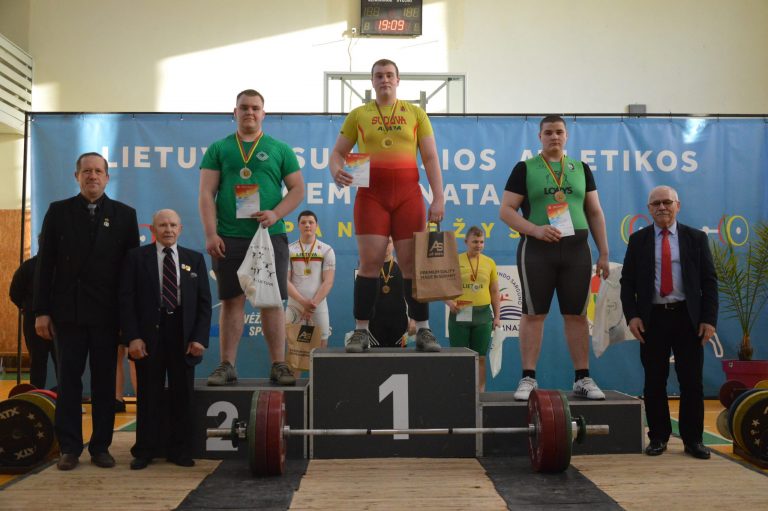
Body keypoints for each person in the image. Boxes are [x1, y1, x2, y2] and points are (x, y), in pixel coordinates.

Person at [329, 58, 445, 353]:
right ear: (372, 81)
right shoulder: (359, 114)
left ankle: (423, 329)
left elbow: (430, 157)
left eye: (389, 75)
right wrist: (336, 171)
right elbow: (338, 153)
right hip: (371, 197)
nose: (384, 80)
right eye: (379, 75)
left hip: (408, 196)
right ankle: (360, 331)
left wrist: (439, 196)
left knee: (411, 265)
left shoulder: (416, 113)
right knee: (369, 263)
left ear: (398, 80)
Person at [33, 152, 139, 470]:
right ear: (76, 176)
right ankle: (69, 448)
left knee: (105, 384)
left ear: (107, 177)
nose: (92, 176)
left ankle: (100, 447)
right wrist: (41, 311)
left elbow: (130, 273)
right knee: (69, 382)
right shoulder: (58, 212)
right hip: (69, 314)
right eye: (86, 171)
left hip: (108, 315)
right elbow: (45, 265)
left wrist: (128, 320)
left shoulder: (125, 215)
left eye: (98, 171)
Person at [499, 115, 610, 401]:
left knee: (576, 315)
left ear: (566, 136)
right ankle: (528, 378)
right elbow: (506, 210)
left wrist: (604, 252)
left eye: (559, 132)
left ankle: (582, 378)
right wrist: (535, 230)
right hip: (537, 251)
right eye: (548, 132)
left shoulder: (580, 168)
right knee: (533, 314)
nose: (554, 137)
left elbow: (594, 211)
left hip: (577, 251)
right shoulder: (525, 168)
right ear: (540, 137)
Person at [200, 89, 304, 386]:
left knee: (271, 302)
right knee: (232, 301)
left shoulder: (279, 148)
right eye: (244, 107)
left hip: (270, 235)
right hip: (229, 237)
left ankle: (278, 364)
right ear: (235, 112)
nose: (249, 112)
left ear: (263, 113)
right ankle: (227, 365)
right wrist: (211, 233)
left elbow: (298, 189)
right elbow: (206, 193)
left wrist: (276, 213)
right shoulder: (219, 148)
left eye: (255, 108)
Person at [620, 186, 717, 460]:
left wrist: (708, 319)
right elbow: (627, 283)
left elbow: (709, 281)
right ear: (649, 209)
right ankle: (658, 437)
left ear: (678, 205)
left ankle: (693, 440)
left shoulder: (696, 238)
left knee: (692, 382)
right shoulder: (638, 240)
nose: (662, 207)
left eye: (667, 202)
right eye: (656, 203)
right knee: (654, 381)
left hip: (688, 318)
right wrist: (632, 316)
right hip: (652, 319)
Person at [120, 209, 212, 470]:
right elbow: (126, 301)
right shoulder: (136, 258)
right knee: (148, 394)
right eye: (162, 225)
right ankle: (145, 450)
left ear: (180, 229)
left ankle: (180, 450)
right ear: (153, 229)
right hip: (148, 335)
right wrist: (133, 337)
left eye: (173, 225)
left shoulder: (194, 259)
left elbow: (204, 303)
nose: (168, 229)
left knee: (183, 394)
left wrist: (199, 338)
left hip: (183, 334)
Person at [444, 227, 500, 392]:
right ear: (466, 242)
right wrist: (449, 303)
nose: (479, 245)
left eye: (482, 242)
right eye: (475, 242)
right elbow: (443, 287)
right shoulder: (455, 260)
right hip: (461, 312)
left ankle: (480, 394)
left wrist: (497, 317)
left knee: (481, 358)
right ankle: (459, 392)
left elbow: (494, 291)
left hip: (483, 315)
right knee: (460, 357)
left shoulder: (489, 262)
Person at [286, 210, 336, 347]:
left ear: (316, 226)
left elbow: (328, 281)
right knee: (294, 352)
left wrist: (312, 305)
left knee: (321, 349)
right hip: (295, 306)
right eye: (303, 222)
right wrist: (303, 302)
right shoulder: (289, 250)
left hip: (318, 306)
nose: (307, 225)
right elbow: (285, 281)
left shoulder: (326, 250)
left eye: (311, 222)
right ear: (298, 226)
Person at [10, 253, 57, 389]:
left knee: (37, 363)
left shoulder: (28, 266)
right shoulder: (60, 267)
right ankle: (65, 397)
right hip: (55, 321)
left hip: (33, 320)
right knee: (61, 363)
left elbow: (14, 293)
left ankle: (36, 396)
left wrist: (26, 308)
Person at [369, 237, 410, 348]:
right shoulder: (370, 268)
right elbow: (364, 298)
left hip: (399, 322)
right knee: (376, 357)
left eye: (389, 242)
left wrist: (413, 320)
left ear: (394, 245)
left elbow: (410, 296)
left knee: (399, 357)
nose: (386, 246)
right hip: (375, 322)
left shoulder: (403, 267)